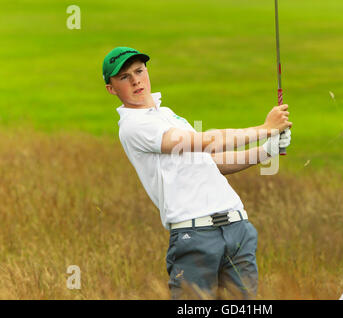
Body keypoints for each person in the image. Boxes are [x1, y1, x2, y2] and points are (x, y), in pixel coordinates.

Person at [102, 46, 292, 299]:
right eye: (124, 77)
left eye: (139, 71)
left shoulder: (166, 115)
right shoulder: (133, 126)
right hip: (195, 236)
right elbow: (204, 142)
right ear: (111, 89)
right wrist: (265, 129)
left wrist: (265, 151)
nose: (136, 80)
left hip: (237, 227)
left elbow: (209, 161)